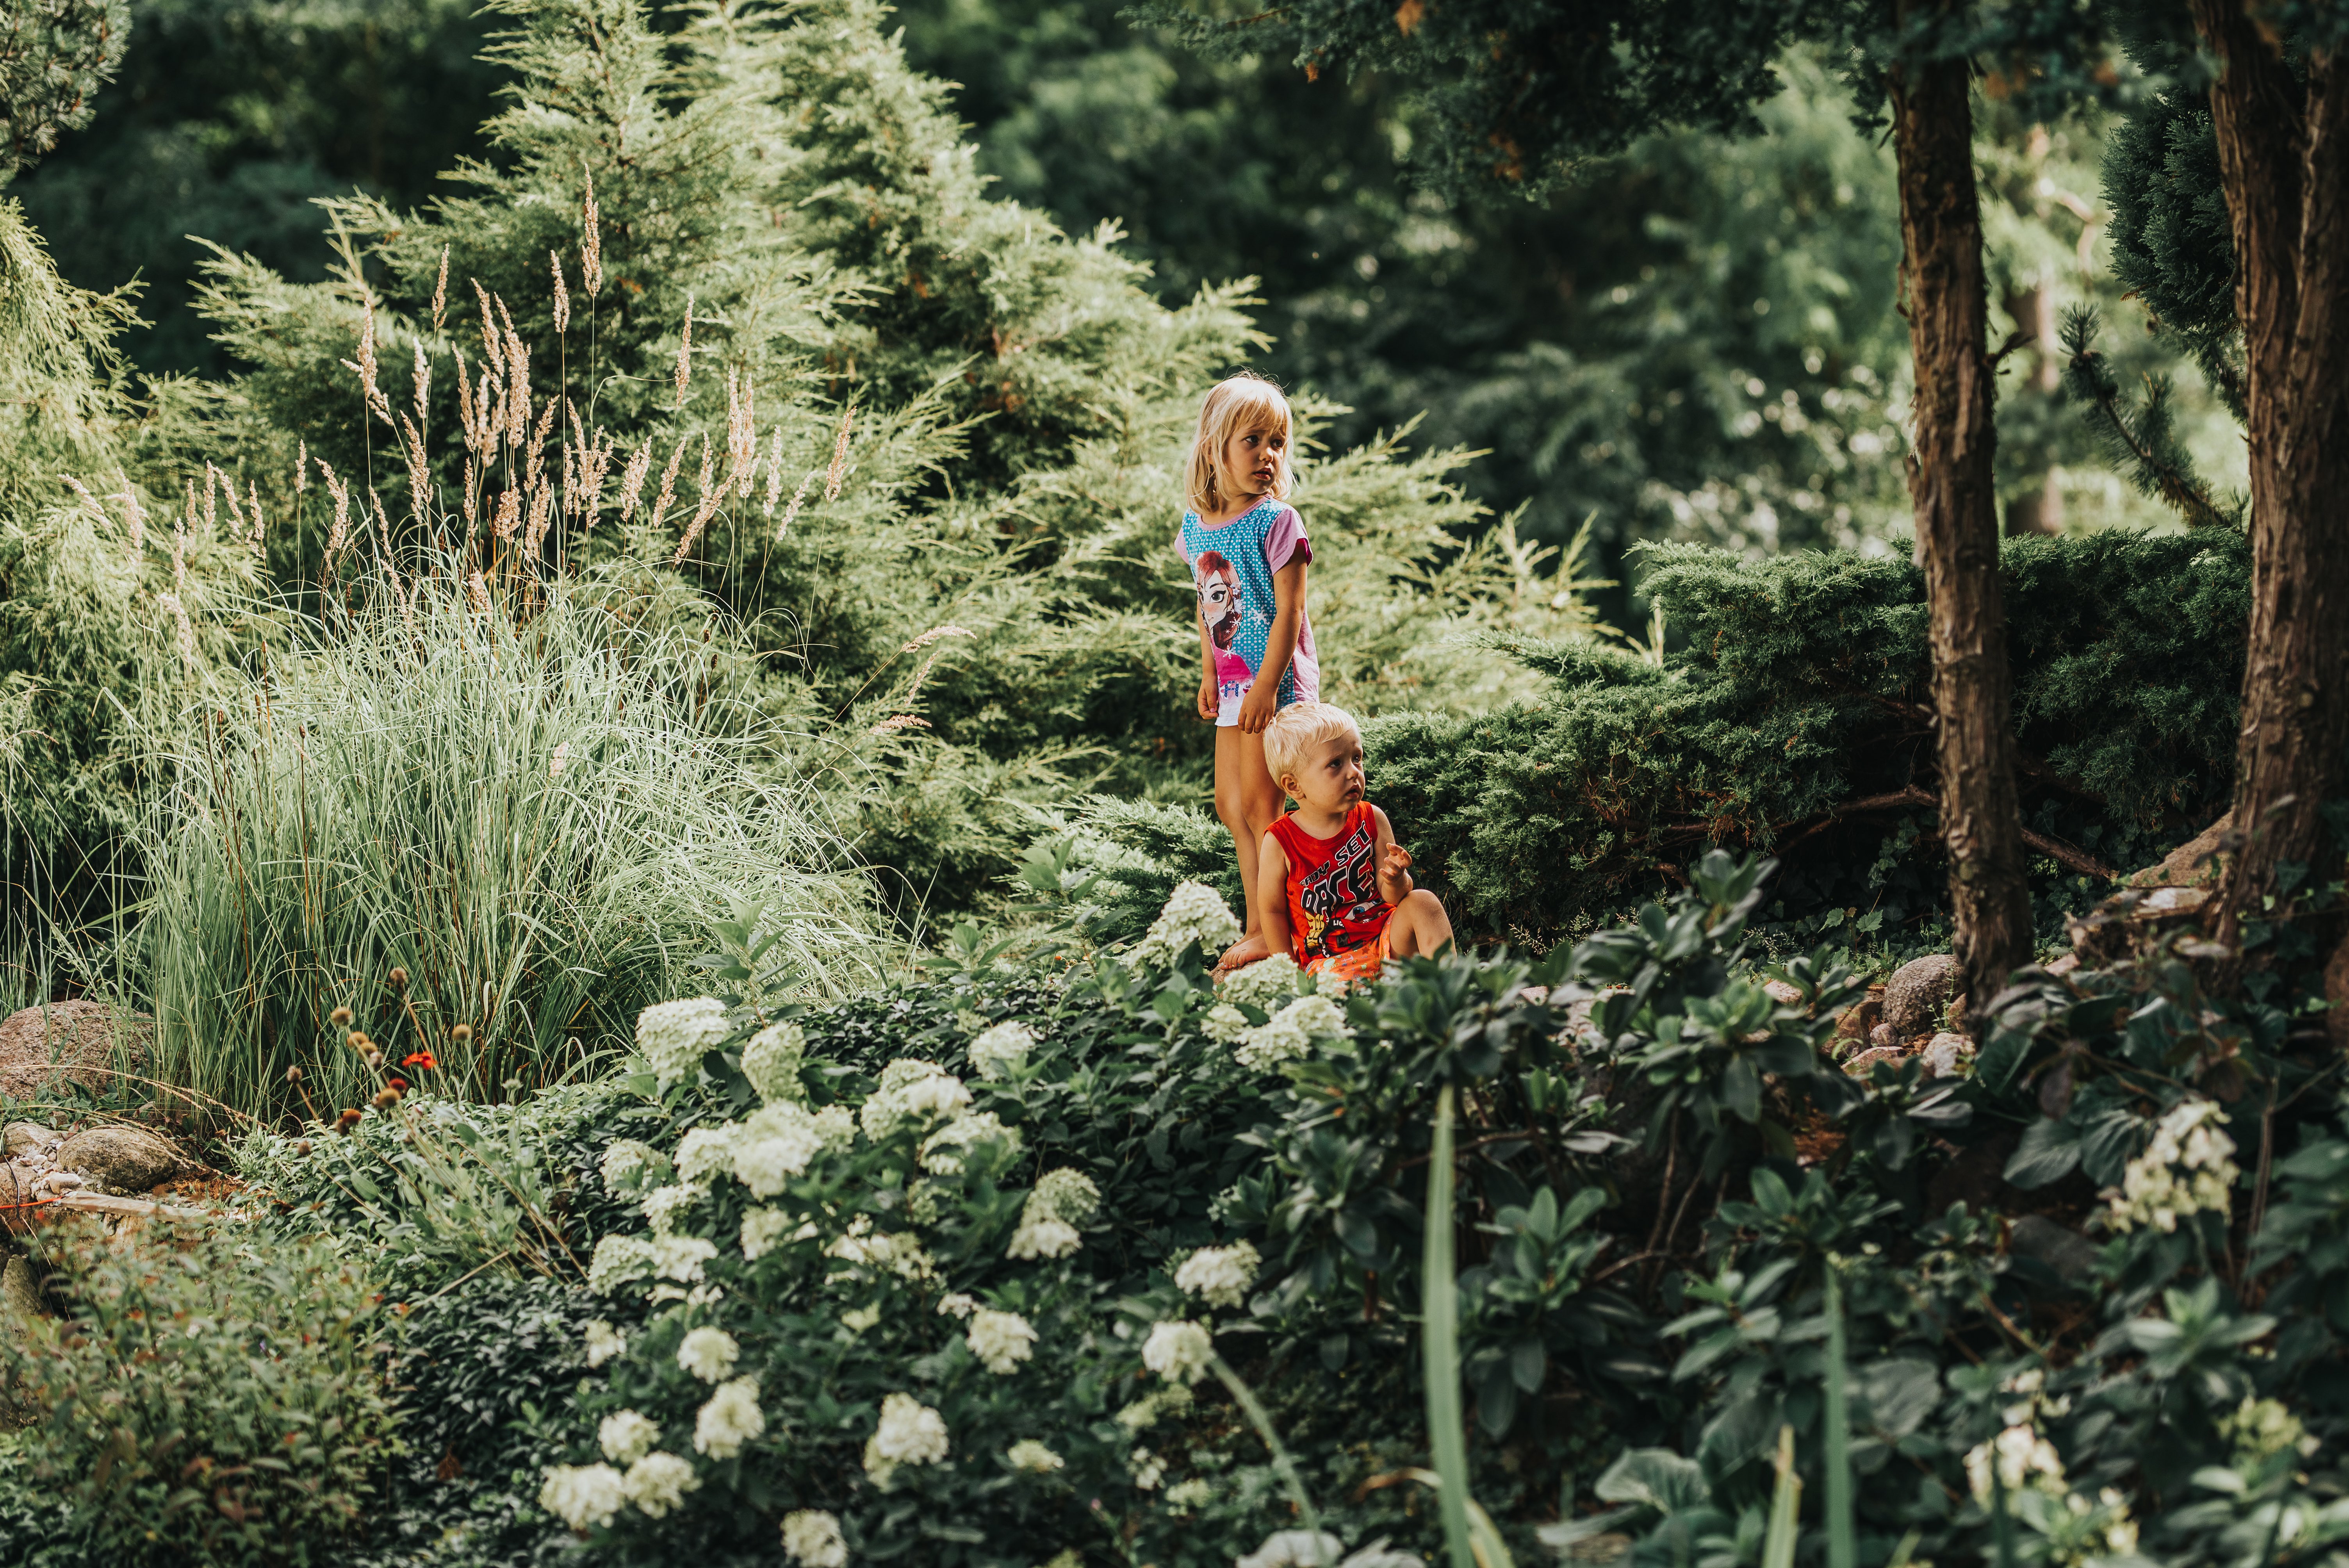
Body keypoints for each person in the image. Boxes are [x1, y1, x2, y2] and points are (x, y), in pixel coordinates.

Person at [1178, 371, 1320, 969]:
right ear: (1215, 449)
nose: (1268, 455)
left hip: (1273, 686)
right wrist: (1210, 673)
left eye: (1278, 442)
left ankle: (1275, 934)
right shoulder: (1195, 527)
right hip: (1234, 684)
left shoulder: (1277, 522)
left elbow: (1291, 611)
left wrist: (1266, 687)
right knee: (1231, 807)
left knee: (1265, 811)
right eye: (1253, 441)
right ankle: (1258, 925)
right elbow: (1206, 603)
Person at [1243, 700, 1453, 987]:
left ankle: (1451, 992)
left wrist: (1397, 878)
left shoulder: (1372, 818)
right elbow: (1272, 911)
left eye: (1357, 758)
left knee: (1423, 901)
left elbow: (1394, 896)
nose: (1354, 772)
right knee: (1340, 999)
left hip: (1387, 941)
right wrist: (1290, 975)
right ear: (1294, 786)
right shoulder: (1280, 841)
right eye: (1336, 764)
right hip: (1329, 963)